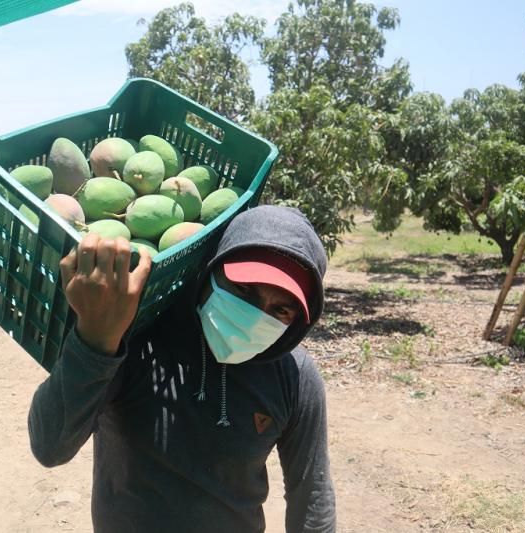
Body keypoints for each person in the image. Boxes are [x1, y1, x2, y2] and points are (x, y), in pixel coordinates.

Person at [28, 205, 336, 533]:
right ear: (211, 269)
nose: (253, 317)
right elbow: (51, 446)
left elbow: (311, 496)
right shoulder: (139, 340)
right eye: (244, 289)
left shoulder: (295, 377)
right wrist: (95, 338)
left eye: (281, 309)